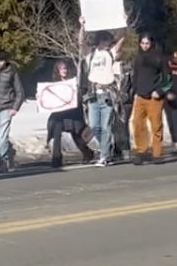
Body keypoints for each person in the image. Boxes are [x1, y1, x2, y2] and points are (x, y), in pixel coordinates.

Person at [79, 23, 125, 168]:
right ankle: (107, 147)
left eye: (108, 41)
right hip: (93, 94)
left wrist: (123, 23)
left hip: (107, 94)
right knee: (94, 126)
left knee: (106, 126)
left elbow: (122, 39)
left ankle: (104, 155)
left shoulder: (110, 53)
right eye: (105, 40)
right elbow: (81, 42)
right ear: (99, 40)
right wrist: (82, 26)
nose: (107, 43)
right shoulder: (91, 54)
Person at [46, 61, 96, 168]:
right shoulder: (54, 84)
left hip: (73, 112)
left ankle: (88, 153)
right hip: (59, 113)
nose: (63, 71)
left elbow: (78, 96)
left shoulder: (72, 82)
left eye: (64, 68)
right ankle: (56, 158)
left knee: (76, 135)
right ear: (57, 71)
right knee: (56, 133)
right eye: (61, 69)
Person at [130, 33, 167, 165]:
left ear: (151, 43)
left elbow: (167, 78)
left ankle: (156, 153)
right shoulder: (138, 58)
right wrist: (134, 91)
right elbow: (136, 76)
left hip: (154, 96)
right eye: (142, 43)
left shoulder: (159, 58)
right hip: (140, 95)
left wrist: (160, 91)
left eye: (147, 43)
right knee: (137, 123)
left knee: (156, 125)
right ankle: (141, 151)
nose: (145, 46)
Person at [0, 49, 25, 173]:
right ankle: (9, 150)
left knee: (2, 136)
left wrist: (15, 108)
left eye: (1, 60)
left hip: (7, 106)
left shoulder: (11, 71)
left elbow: (20, 91)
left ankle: (1, 162)